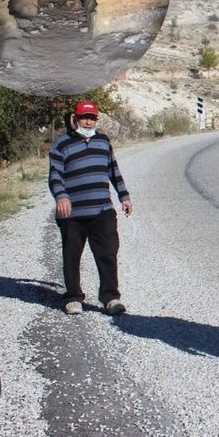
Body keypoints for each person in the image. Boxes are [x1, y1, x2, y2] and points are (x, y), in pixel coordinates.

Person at [48, 100, 132, 316]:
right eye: (84, 117)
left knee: (108, 254)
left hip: (102, 211)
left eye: (92, 117)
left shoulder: (103, 141)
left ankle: (111, 298)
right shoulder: (61, 144)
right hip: (72, 214)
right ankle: (73, 298)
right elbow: (55, 175)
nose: (88, 121)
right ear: (74, 119)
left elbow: (114, 170)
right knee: (72, 256)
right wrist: (61, 196)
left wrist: (124, 196)